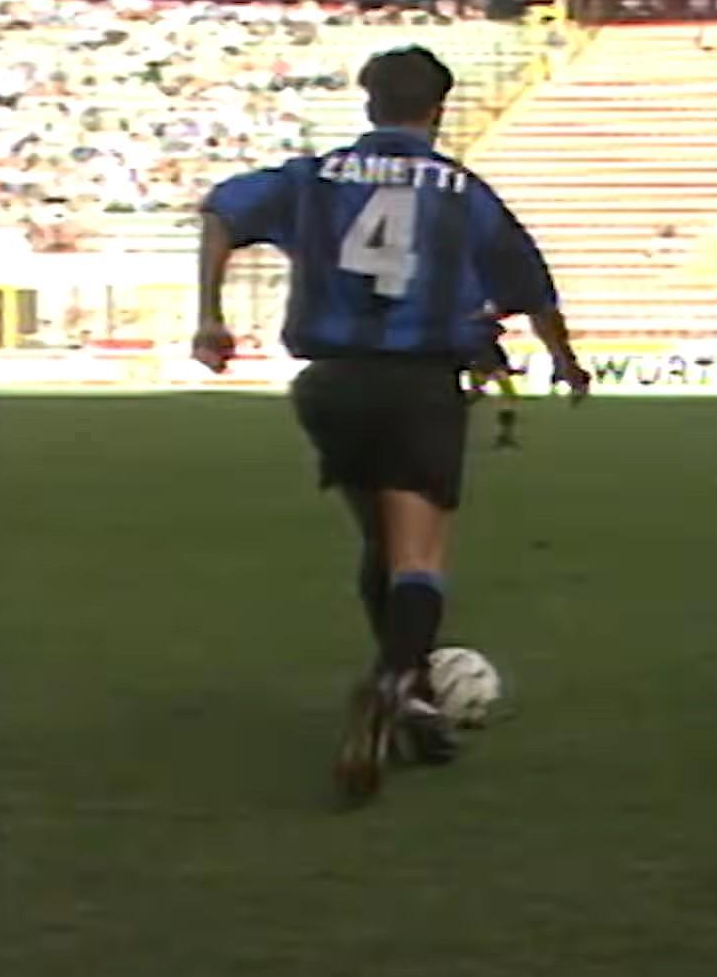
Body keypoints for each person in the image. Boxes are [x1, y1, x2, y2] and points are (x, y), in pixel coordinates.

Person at [190, 45, 592, 807]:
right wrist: (564, 361)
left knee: (378, 540)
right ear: (438, 109)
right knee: (418, 556)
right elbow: (532, 288)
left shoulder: (312, 177)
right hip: (415, 385)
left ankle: (411, 700)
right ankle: (395, 683)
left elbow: (220, 209)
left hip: (329, 386)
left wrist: (209, 315)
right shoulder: (463, 192)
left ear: (368, 102)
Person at [465, 326, 524, 450]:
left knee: (509, 397)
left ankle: (505, 433)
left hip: (484, 372)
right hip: (482, 371)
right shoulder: (485, 348)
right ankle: (505, 433)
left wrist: (513, 371)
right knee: (506, 397)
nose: (497, 336)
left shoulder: (491, 348)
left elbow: (503, 366)